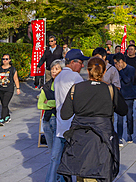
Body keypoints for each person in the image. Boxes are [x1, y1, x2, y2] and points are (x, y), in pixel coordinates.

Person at [58, 56, 126, 182]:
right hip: (102, 139)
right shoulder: (110, 89)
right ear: (104, 71)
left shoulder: (76, 88)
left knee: (81, 175)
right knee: (99, 175)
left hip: (80, 140)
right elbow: (123, 110)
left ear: (88, 71)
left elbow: (65, 114)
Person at [46, 49, 85, 182]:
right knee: (73, 160)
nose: (82, 66)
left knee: (55, 159)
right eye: (81, 62)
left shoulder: (58, 77)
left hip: (60, 125)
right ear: (73, 62)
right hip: (73, 127)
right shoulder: (75, 78)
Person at [37, 59, 62, 149]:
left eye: (57, 69)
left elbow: (63, 102)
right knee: (51, 150)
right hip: (47, 119)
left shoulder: (64, 85)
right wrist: (52, 104)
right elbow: (40, 104)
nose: (54, 71)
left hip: (58, 119)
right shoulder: (46, 86)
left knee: (57, 151)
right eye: (52, 69)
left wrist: (50, 102)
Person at [113, 54, 136, 144]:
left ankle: (129, 134)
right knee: (119, 118)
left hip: (129, 96)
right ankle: (119, 136)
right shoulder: (114, 69)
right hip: (119, 96)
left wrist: (120, 71)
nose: (115, 65)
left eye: (116, 63)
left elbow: (127, 80)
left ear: (121, 62)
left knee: (129, 116)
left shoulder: (131, 69)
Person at [0, 54, 21, 125]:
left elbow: (15, 79)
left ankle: (2, 118)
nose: (4, 60)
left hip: (9, 89)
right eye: (3, 59)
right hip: (1, 89)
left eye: (6, 59)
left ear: (9, 60)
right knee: (3, 103)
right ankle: (7, 116)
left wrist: (18, 88)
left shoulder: (12, 69)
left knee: (5, 103)